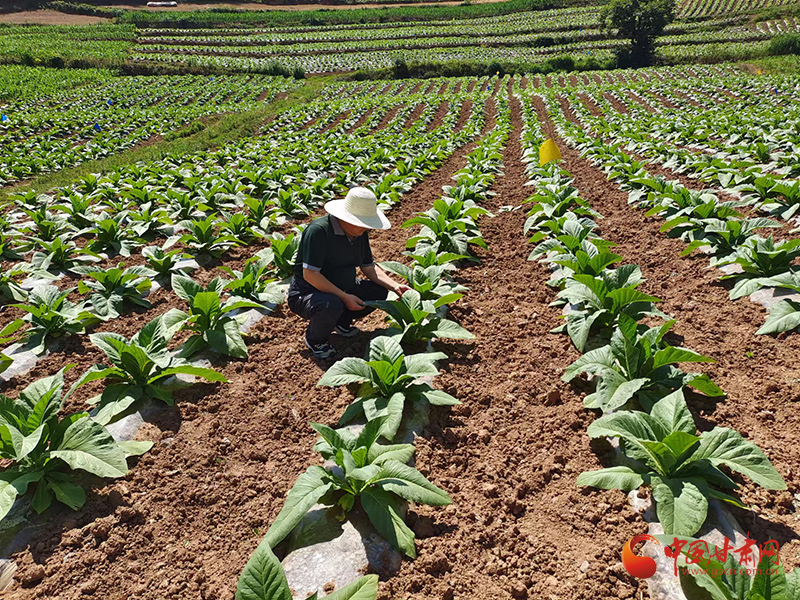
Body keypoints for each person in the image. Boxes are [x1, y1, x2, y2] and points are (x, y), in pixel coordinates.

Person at [287, 187, 411, 359]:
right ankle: (316, 340)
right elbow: (310, 275)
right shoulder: (319, 231)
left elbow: (369, 267)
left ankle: (341, 322)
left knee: (379, 291)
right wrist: (345, 297)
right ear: (346, 217)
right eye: (362, 222)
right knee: (332, 304)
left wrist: (395, 286)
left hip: (345, 287)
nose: (366, 228)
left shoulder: (359, 233)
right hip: (307, 293)